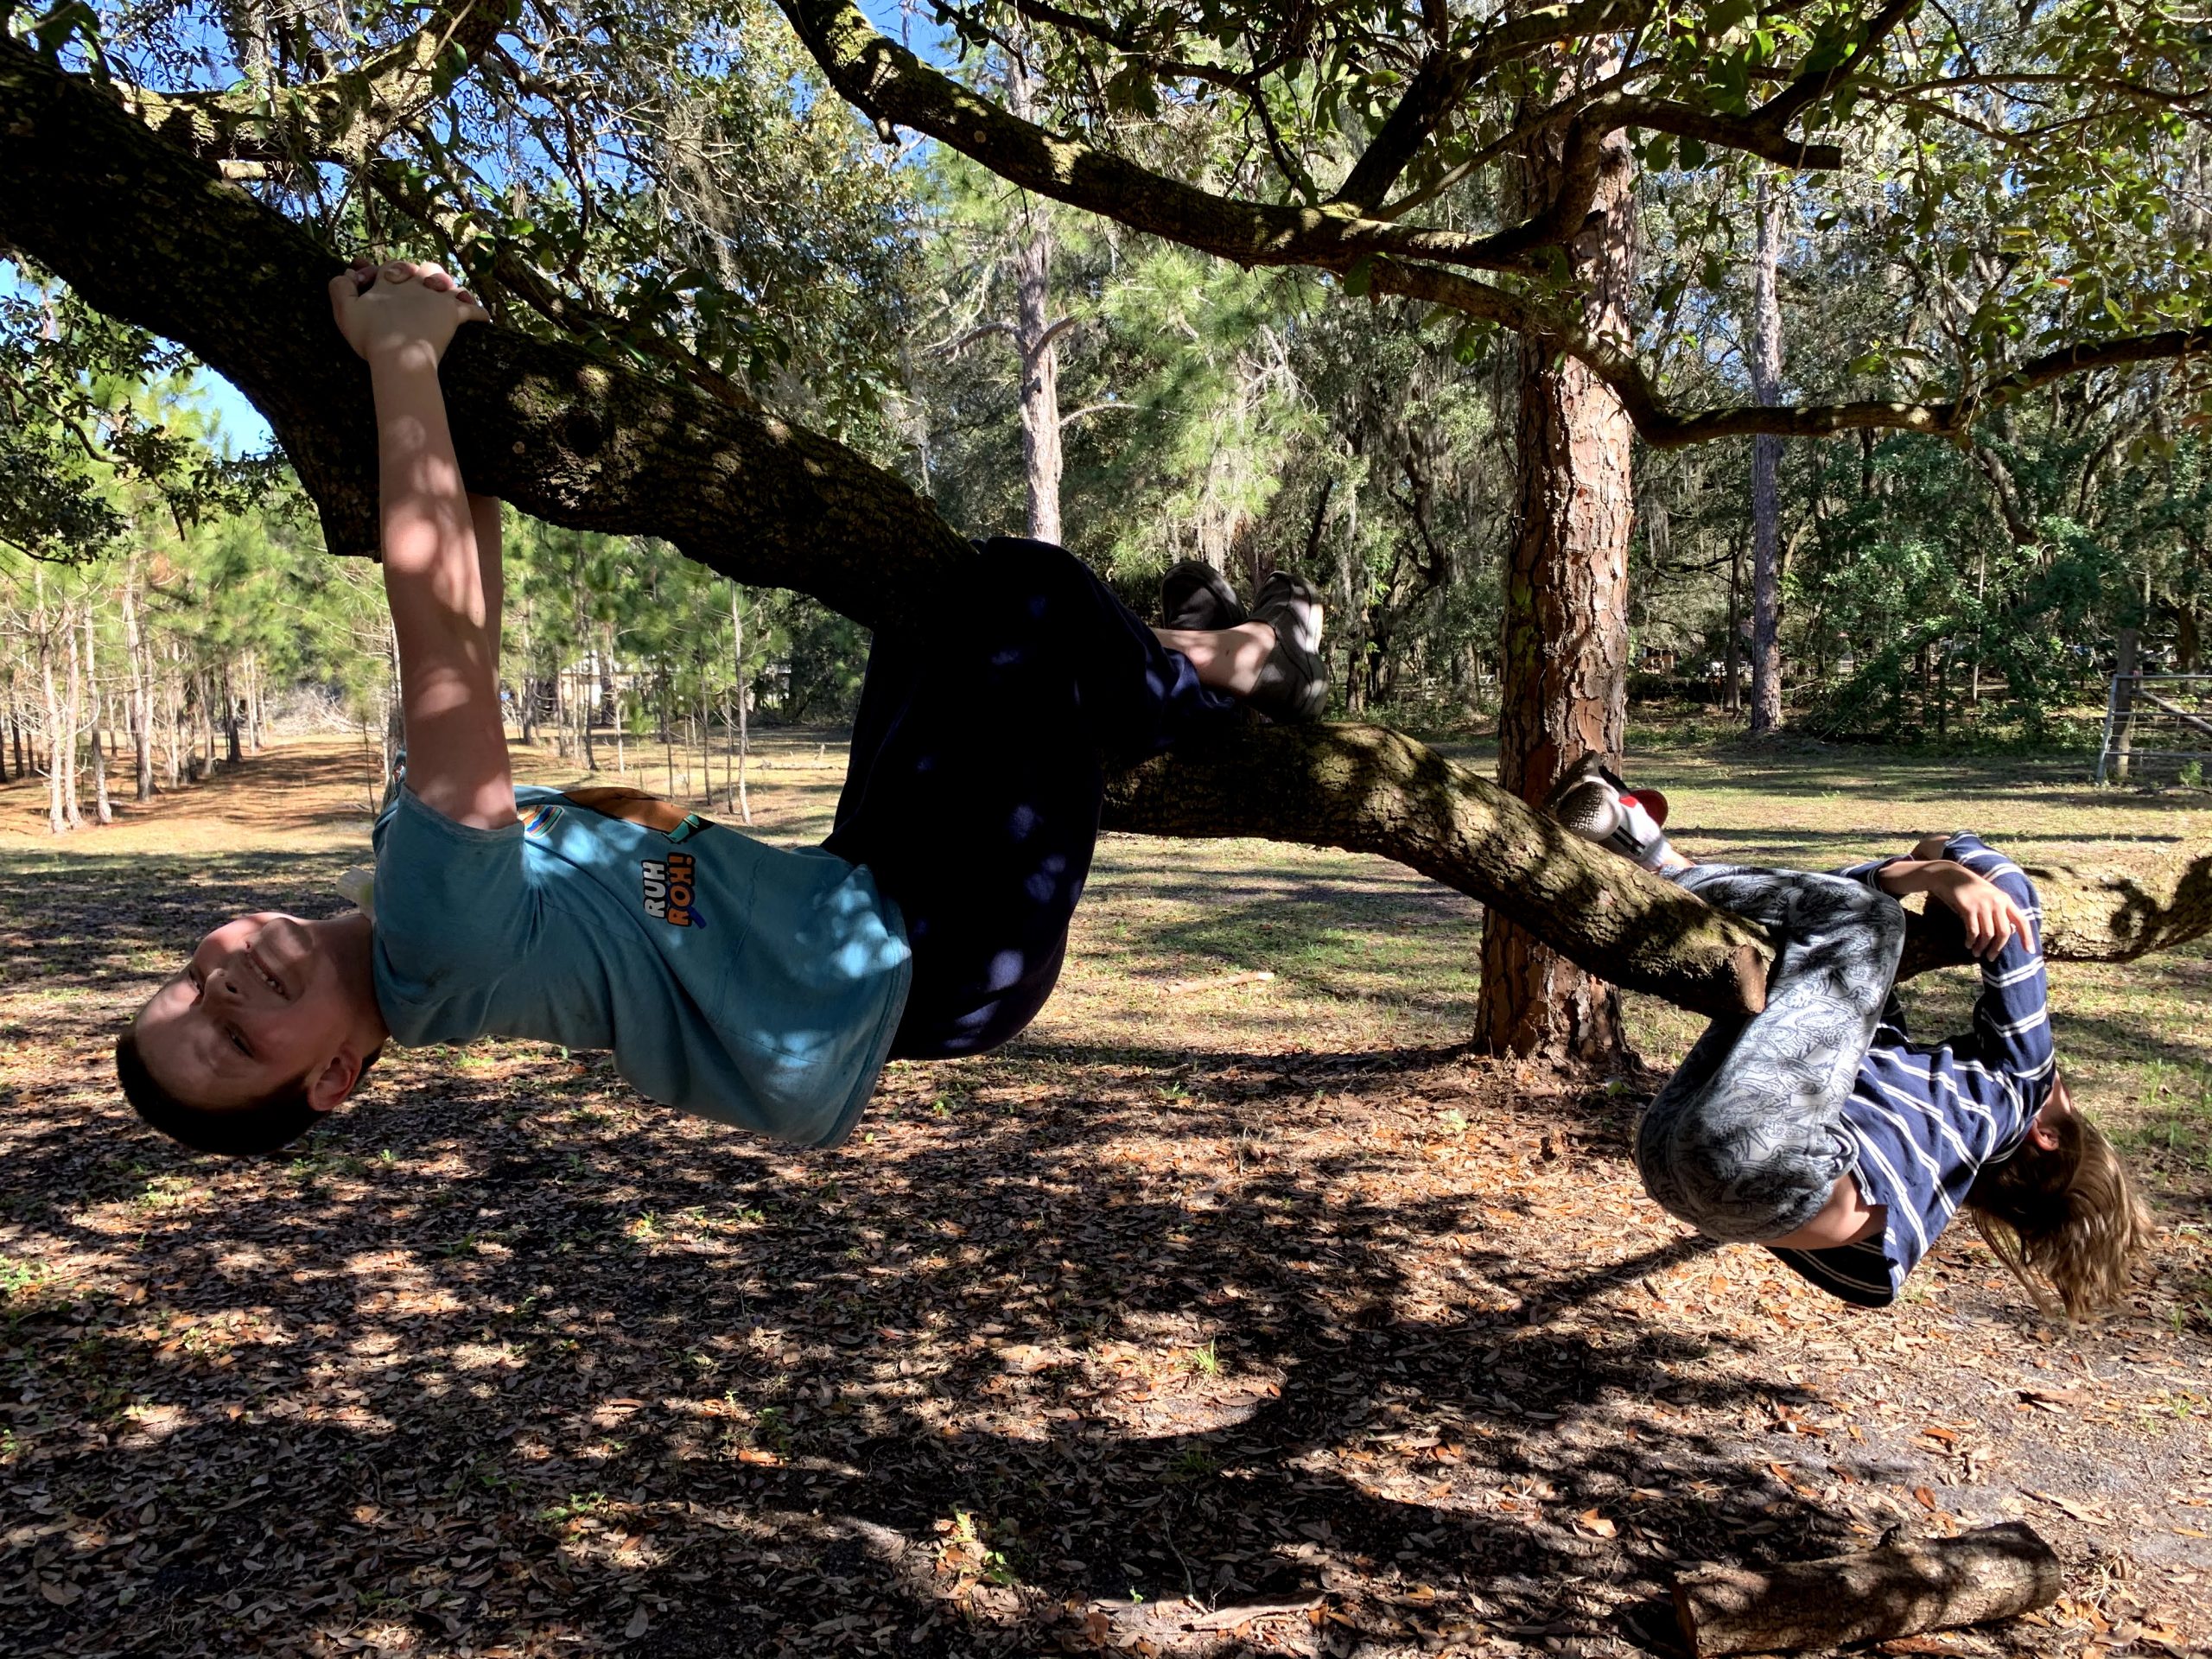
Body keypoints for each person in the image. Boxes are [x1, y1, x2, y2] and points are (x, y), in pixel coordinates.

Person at [115, 260, 1331, 1158]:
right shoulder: (433, 938)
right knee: (1025, 590)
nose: (219, 997)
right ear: (334, 1078)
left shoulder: (406, 901)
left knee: (936, 613)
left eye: (186, 989)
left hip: (867, 891)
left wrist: (459, 408)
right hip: (933, 954)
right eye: (231, 1047)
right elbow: (440, 647)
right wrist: (401, 360)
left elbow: (467, 633)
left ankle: (1209, 645)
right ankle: (1248, 665)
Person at [1547, 759, 2152, 1319]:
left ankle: (1662, 865)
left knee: (1872, 920)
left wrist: (1938, 863)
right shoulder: (1918, 1160)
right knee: (1810, 961)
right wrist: (1903, 878)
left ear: (2046, 1135)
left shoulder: (2021, 1086)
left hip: (1770, 1159)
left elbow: (2011, 901)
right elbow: (1834, 952)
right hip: (1671, 1167)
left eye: (2070, 1107)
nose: (2063, 1086)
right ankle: (1645, 847)